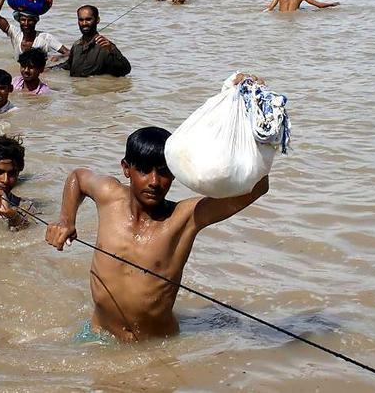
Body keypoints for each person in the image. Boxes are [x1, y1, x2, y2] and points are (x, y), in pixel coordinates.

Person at [44, 122, 270, 343]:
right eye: (144, 170)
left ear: (174, 174)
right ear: (126, 168)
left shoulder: (185, 218)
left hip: (155, 346)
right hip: (99, 336)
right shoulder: (109, 195)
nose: (154, 182)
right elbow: (78, 177)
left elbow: (258, 187)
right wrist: (66, 220)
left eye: (163, 172)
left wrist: (254, 129)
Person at [0, 0, 70, 60]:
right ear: (19, 20)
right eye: (23, 20)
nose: (26, 23)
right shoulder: (15, 35)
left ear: (35, 21)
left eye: (30, 20)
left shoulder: (45, 38)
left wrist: (58, 57)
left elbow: (68, 53)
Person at [61, 6, 132, 78]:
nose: (84, 23)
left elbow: (125, 70)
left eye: (88, 19)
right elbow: (68, 65)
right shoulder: (76, 46)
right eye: (81, 20)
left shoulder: (106, 47)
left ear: (97, 20)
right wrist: (54, 69)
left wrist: (113, 49)